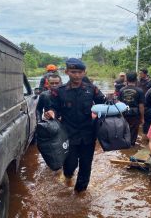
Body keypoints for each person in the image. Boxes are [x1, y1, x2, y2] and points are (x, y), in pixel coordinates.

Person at [44, 58, 106, 193]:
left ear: (84, 72)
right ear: (67, 72)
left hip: (88, 135)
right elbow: (53, 108)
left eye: (79, 72)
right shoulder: (58, 91)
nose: (76, 75)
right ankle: (68, 178)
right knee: (70, 165)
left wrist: (113, 103)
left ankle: (80, 193)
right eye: (73, 72)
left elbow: (104, 103)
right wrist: (50, 113)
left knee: (86, 166)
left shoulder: (92, 89)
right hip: (68, 134)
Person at [118, 71, 145, 146]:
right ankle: (131, 146)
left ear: (126, 79)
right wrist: (142, 118)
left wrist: (119, 115)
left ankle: (123, 145)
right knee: (133, 131)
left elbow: (119, 103)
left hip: (124, 113)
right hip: (135, 114)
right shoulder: (139, 91)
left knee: (124, 129)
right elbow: (141, 106)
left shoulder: (121, 90)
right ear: (136, 79)